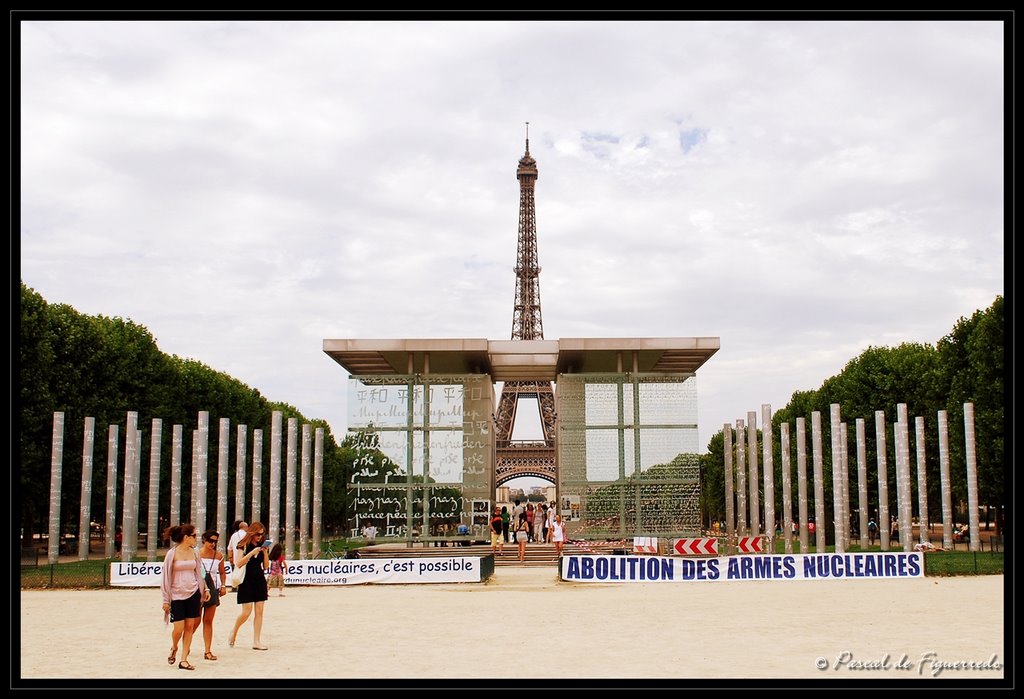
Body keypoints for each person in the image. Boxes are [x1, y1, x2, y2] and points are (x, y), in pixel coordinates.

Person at [160, 523, 209, 671]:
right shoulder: (172, 554)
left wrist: (205, 588)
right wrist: (165, 600)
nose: (196, 539)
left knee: (190, 626)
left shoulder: (195, 552)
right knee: (178, 629)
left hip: (193, 592)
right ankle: (174, 646)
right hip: (176, 594)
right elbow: (165, 577)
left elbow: (200, 571)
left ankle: (183, 659)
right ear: (186, 537)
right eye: (194, 536)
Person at [228, 521, 271, 651]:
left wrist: (265, 552)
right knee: (246, 612)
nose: (259, 537)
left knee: (259, 611)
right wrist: (252, 553)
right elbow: (238, 563)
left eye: (262, 535)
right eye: (257, 534)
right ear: (252, 532)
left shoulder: (260, 545)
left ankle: (256, 641)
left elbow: (266, 566)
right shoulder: (243, 544)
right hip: (246, 579)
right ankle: (234, 631)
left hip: (259, 578)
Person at [198, 530, 226, 661]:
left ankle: (207, 650)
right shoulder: (197, 554)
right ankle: (183, 644)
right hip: (198, 589)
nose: (213, 544)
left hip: (213, 588)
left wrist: (224, 586)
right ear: (204, 540)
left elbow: (222, 572)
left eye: (215, 541)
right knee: (195, 621)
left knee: (208, 620)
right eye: (210, 541)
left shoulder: (219, 555)